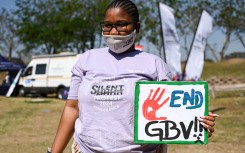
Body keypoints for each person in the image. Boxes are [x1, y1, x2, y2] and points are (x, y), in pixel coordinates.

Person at [51, 0, 218, 152]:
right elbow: (72, 108)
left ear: (136, 27)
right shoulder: (87, 60)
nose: (114, 32)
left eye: (121, 25)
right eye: (107, 25)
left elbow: (174, 113)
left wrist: (199, 124)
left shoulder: (154, 65)